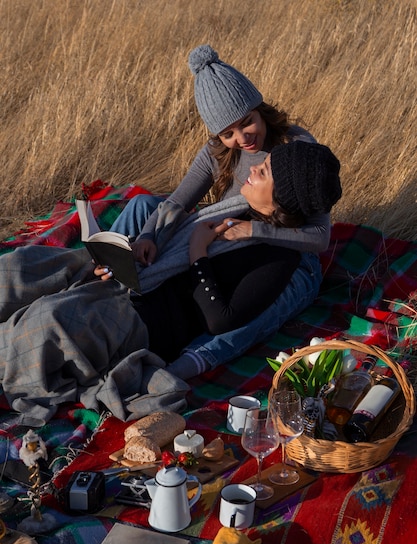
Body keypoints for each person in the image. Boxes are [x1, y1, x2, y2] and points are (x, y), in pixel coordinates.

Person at [0, 141, 341, 425]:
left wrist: (198, 254)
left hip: (146, 320)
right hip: (128, 279)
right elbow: (173, 217)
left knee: (51, 319)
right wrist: (128, 249)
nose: (252, 170)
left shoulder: (277, 259)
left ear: (281, 199)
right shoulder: (237, 207)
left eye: (263, 171)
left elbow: (221, 319)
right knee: (16, 271)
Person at [108, 44, 331, 379]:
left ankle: (190, 363)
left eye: (247, 123)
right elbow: (178, 201)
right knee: (143, 206)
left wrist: (252, 231)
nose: (242, 138)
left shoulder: (296, 146)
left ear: (259, 108)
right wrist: (146, 237)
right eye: (227, 133)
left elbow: (320, 237)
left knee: (256, 310)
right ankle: (111, 273)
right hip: (226, 239)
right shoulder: (216, 152)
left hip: (287, 253)